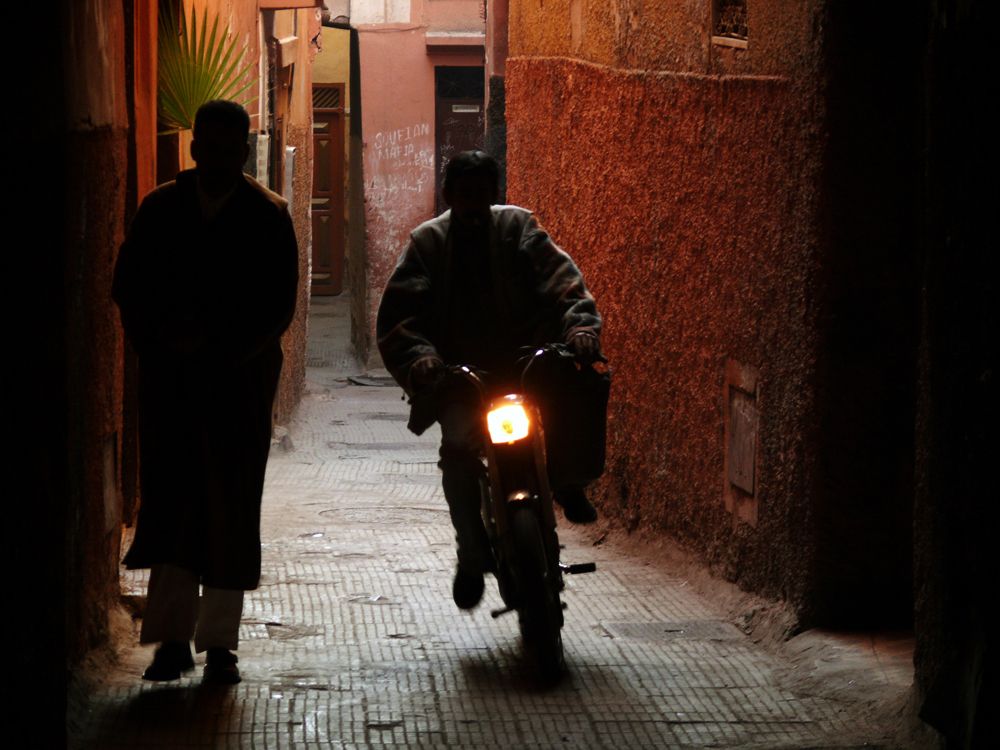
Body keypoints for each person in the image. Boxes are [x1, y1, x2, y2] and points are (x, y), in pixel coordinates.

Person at [112, 100, 299, 684]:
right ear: (194, 150)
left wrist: (216, 344)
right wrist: (166, 337)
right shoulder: (160, 210)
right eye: (209, 147)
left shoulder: (269, 217)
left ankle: (220, 646)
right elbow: (130, 286)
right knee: (171, 507)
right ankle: (171, 641)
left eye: (229, 148)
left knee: (230, 511)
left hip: (237, 392)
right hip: (171, 389)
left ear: (245, 151)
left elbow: (276, 306)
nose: (218, 158)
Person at [376, 151, 603, 611]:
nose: (475, 204)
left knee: (568, 399)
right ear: (449, 197)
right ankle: (470, 548)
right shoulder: (428, 243)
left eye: (483, 194)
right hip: (461, 376)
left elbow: (565, 282)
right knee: (458, 447)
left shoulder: (520, 228)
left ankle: (566, 480)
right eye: (466, 196)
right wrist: (421, 359)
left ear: (494, 194)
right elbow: (399, 317)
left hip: (524, 364)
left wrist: (580, 327)